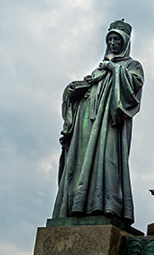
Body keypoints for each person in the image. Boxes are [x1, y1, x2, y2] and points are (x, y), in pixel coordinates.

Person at [53, 19, 144, 224]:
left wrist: (114, 69)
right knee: (82, 163)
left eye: (117, 39)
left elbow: (134, 89)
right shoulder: (98, 69)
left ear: (126, 42)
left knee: (108, 162)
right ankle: (79, 204)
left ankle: (105, 205)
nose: (113, 43)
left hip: (109, 124)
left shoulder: (131, 65)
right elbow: (88, 86)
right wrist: (74, 91)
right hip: (88, 126)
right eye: (110, 39)